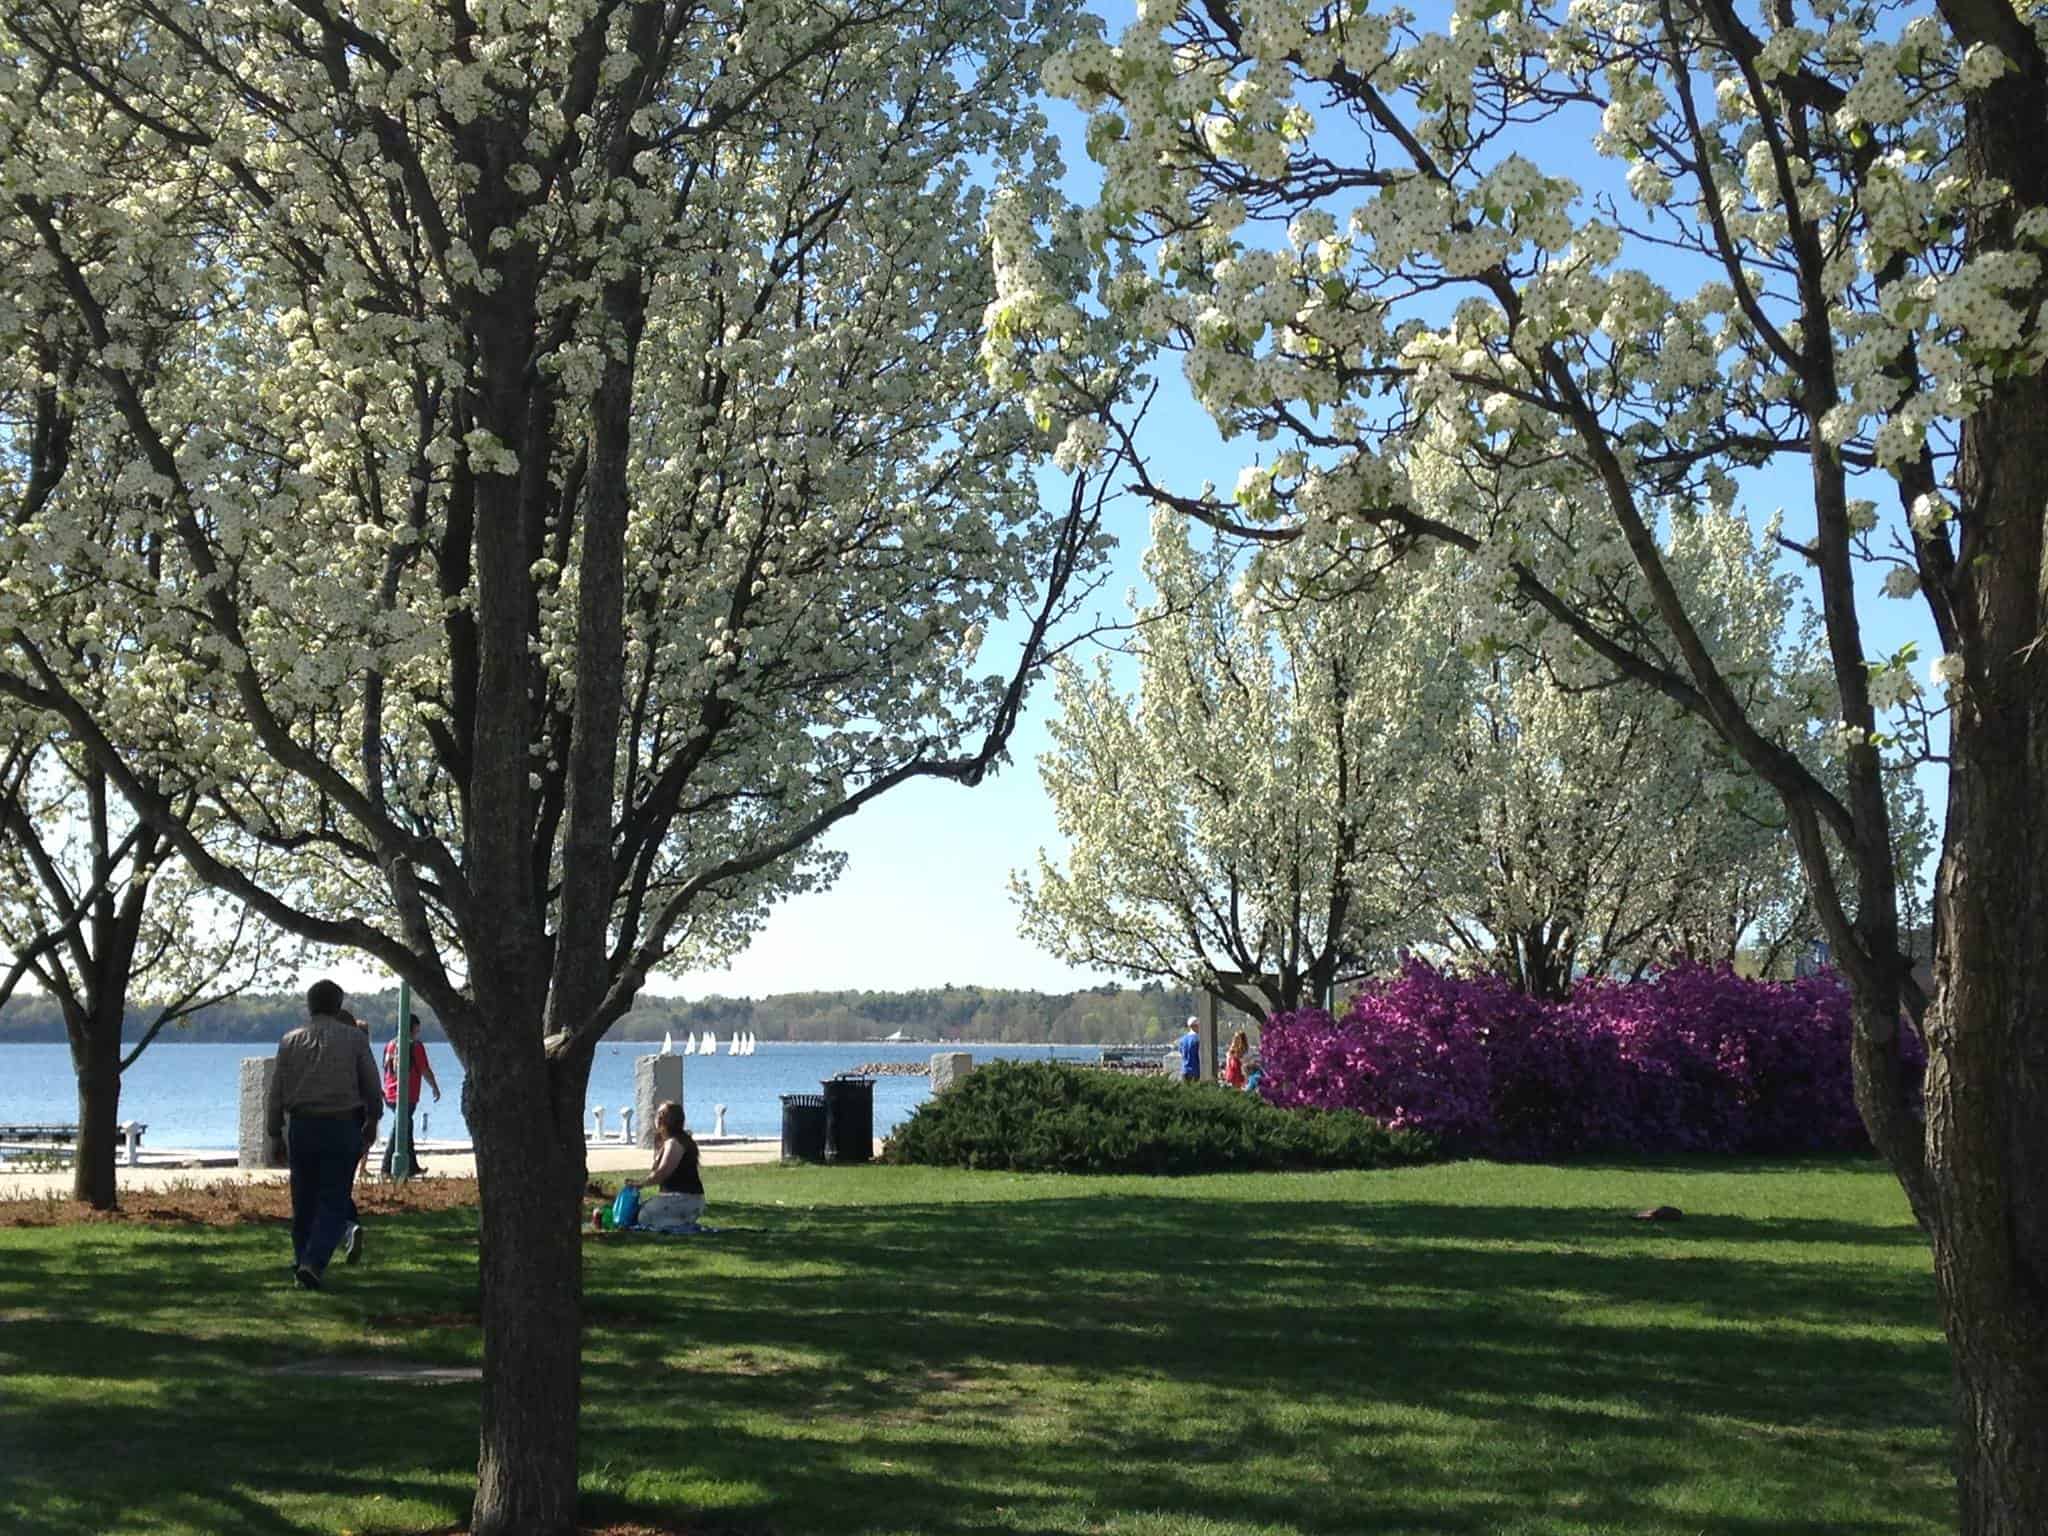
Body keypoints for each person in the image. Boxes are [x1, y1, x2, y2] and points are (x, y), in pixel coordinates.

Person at [265, 980, 382, 1290]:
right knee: (333, 1198)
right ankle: (313, 1263)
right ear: (338, 1005)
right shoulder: (355, 1039)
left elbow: (276, 1091)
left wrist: (275, 1132)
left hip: (302, 1126)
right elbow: (371, 1082)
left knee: (302, 1199)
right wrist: (373, 1117)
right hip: (342, 1125)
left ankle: (301, 1260)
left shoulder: (290, 1041)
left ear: (309, 1005)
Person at [380, 1013, 443, 1178]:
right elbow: (424, 1069)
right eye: (417, 1028)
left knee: (406, 1127)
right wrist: (435, 1087)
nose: (419, 1031)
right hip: (406, 1094)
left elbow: (385, 1069)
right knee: (400, 1128)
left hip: (390, 1093)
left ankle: (412, 1166)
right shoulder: (415, 1046)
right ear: (413, 1028)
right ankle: (386, 1167)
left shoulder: (390, 1045)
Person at [635, 1101, 706, 1232]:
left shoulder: (674, 1143)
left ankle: (678, 1225)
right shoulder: (668, 1141)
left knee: (644, 1216)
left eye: (661, 1113)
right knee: (637, 1210)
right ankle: (677, 1222)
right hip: (680, 1199)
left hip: (686, 1199)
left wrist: (640, 1184)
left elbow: (662, 1173)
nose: (657, 1116)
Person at [1178, 1016, 1201, 1082]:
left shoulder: (1182, 1039)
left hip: (1184, 1070)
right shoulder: (1198, 1039)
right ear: (1195, 1026)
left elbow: (1181, 1053)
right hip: (1195, 1070)